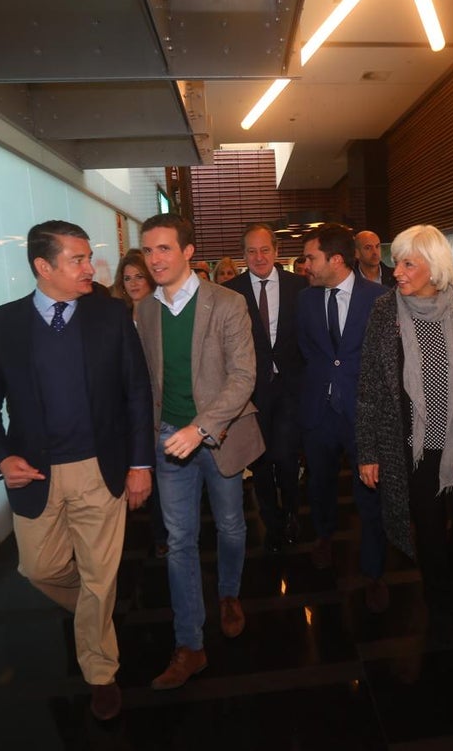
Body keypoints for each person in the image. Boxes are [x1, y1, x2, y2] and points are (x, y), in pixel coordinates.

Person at [0, 220, 153, 722]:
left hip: (101, 469)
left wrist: (140, 463)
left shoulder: (112, 315)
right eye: (77, 260)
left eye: (88, 257)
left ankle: (100, 671)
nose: (91, 268)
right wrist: (0, 457)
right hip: (36, 474)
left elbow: (137, 392)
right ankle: (96, 616)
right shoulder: (1, 325)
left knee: (98, 576)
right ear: (42, 267)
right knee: (39, 568)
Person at [355, 225, 453, 644]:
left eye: (408, 263)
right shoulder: (386, 311)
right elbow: (369, 384)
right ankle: (439, 600)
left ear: (434, 266)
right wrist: (368, 450)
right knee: (426, 526)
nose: (397, 272)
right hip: (412, 446)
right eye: (397, 262)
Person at [135, 213, 264, 690]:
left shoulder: (227, 303)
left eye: (164, 249)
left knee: (231, 525)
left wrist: (201, 427)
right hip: (167, 438)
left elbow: (243, 376)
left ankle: (229, 593)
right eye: (148, 251)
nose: (155, 260)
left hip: (218, 435)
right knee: (179, 540)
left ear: (189, 251)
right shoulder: (145, 310)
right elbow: (147, 380)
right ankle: (189, 644)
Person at [296, 222, 389, 612]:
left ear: (336, 259)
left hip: (363, 412)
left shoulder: (381, 298)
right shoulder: (305, 301)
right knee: (320, 484)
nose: (305, 265)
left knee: (371, 495)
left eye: (311, 257)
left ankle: (374, 573)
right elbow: (308, 352)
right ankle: (324, 536)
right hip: (319, 411)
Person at [225, 223, 308, 553]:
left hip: (289, 385)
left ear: (276, 251)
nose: (259, 257)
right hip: (249, 390)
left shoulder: (299, 286)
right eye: (251, 251)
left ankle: (291, 512)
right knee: (258, 460)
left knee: (286, 456)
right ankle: (271, 522)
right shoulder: (231, 291)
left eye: (265, 250)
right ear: (243, 254)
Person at [110, 248, 169, 558]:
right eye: (127, 277)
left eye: (139, 277)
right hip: (121, 406)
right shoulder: (114, 314)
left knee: (157, 472)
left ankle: (162, 535)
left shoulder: (161, 312)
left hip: (157, 405)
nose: (133, 283)